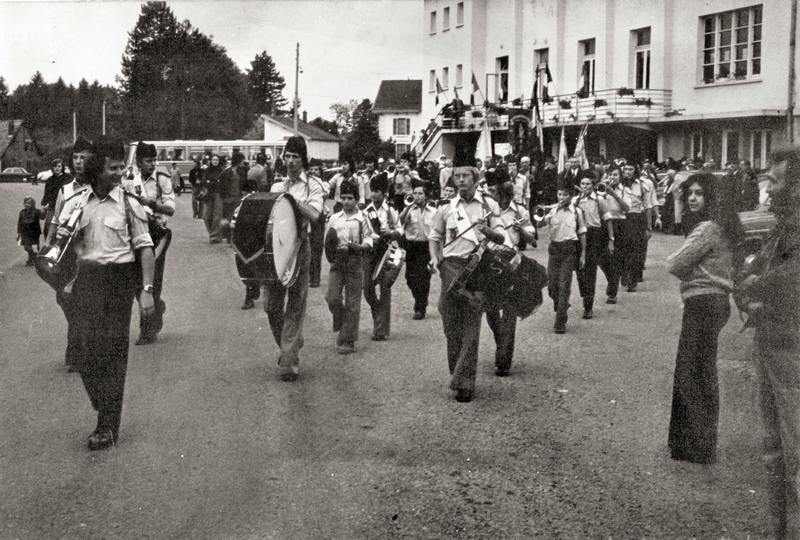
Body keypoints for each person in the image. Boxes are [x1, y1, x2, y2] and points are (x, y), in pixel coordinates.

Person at [54, 135, 154, 451]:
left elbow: (145, 248)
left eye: (121, 167)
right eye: (113, 167)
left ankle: (107, 425)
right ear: (98, 168)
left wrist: (147, 290)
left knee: (112, 355)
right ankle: (104, 401)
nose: (119, 173)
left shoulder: (129, 203)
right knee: (83, 351)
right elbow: (61, 247)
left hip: (119, 282)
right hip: (86, 282)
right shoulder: (76, 202)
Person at [737, 147, 800, 537]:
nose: (768, 190)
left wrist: (756, 284)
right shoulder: (783, 227)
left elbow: (789, 277)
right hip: (772, 345)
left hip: (792, 351)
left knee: (794, 455)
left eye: (776, 182)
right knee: (775, 453)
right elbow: (757, 268)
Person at [665, 172, 741, 464]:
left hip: (703, 302)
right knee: (703, 372)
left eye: (699, 193)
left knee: (690, 373)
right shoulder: (719, 226)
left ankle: (693, 445)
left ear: (711, 197)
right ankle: (700, 442)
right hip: (715, 302)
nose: (693, 198)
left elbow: (676, 263)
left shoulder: (707, 228)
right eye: (690, 193)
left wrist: (689, 270)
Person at [428, 143, 507, 402]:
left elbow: (502, 236)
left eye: (466, 176)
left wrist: (488, 231)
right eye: (457, 176)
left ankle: (464, 382)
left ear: (476, 177)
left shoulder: (489, 205)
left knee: (472, 323)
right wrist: (435, 258)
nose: (461, 180)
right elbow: (435, 235)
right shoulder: (446, 208)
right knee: (450, 322)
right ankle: (458, 372)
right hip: (450, 267)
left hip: (477, 268)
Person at [266, 136, 324, 381]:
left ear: (304, 160)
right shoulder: (276, 186)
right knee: (271, 305)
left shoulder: (313, 185)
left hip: (300, 247)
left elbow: (314, 214)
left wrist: (292, 201)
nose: (290, 162)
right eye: (287, 156)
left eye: (295, 157)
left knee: (296, 303)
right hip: (277, 249)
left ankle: (288, 360)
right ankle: (291, 342)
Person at [44, 137, 95, 372]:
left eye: (83, 157)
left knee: (76, 297)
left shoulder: (96, 190)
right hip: (62, 252)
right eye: (75, 157)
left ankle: (78, 351)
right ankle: (80, 346)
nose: (78, 162)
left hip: (85, 251)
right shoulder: (64, 189)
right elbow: (54, 219)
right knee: (63, 298)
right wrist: (48, 245)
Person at [122, 142, 175, 345]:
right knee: (136, 280)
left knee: (154, 279)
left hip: (157, 234)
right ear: (138, 161)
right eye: (148, 161)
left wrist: (151, 204)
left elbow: (171, 209)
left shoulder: (162, 179)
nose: (153, 164)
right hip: (135, 232)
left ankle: (146, 330)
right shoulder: (128, 179)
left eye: (154, 160)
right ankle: (156, 307)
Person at [484, 168, 536, 376]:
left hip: (512, 262)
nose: (488, 194)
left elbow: (532, 238)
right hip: (489, 262)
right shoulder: (485, 209)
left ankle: (503, 359)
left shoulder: (520, 210)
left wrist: (521, 229)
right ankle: (501, 341)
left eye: (492, 191)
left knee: (509, 311)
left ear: (503, 194)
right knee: (490, 308)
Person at [325, 179, 373, 354]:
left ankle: (347, 339)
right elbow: (328, 241)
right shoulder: (334, 218)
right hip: (337, 262)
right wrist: (331, 256)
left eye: (350, 198)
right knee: (332, 298)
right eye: (343, 198)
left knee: (353, 303)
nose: (346, 202)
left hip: (354, 261)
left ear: (356, 199)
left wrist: (361, 247)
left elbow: (369, 238)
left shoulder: (362, 218)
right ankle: (342, 321)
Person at [538, 185, 587, 333]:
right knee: (552, 286)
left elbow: (582, 233)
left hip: (569, 249)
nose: (561, 198)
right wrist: (543, 214)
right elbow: (539, 225)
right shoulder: (553, 211)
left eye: (565, 195)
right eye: (559, 194)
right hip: (554, 250)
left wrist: (583, 254)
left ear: (570, 196)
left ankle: (560, 321)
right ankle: (562, 305)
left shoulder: (577, 212)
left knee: (564, 285)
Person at [363, 172, 402, 341]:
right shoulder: (365, 211)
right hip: (370, 252)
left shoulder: (391, 210)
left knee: (385, 289)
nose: (374, 194)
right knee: (368, 289)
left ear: (384, 192)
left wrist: (392, 232)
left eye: (377, 191)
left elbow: (400, 230)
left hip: (386, 251)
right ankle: (379, 317)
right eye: (372, 190)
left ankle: (380, 329)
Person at [573, 171, 614, 319]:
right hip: (579, 237)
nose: (585, 186)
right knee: (579, 270)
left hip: (595, 236)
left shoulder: (599, 200)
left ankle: (588, 306)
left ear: (593, 185)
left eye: (588, 184)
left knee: (590, 271)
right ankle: (586, 295)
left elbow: (607, 219)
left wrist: (611, 239)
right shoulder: (575, 201)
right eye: (583, 184)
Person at [398, 181, 436, 319]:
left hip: (426, 247)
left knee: (423, 277)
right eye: (415, 193)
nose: (417, 196)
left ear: (426, 196)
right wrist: (408, 208)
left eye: (420, 193)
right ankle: (420, 299)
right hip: (411, 246)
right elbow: (399, 222)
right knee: (409, 277)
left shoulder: (433, 212)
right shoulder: (409, 210)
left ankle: (420, 307)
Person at [597, 164, 630, 304]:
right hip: (603, 224)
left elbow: (627, 208)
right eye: (610, 175)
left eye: (615, 175)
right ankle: (613, 279)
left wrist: (614, 194)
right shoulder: (600, 188)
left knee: (615, 258)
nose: (612, 177)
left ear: (620, 177)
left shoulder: (625, 190)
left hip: (618, 224)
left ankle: (612, 293)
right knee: (601, 258)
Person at [619, 163, 652, 292]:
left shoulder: (642, 185)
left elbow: (647, 206)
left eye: (631, 169)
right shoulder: (619, 185)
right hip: (622, 218)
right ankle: (624, 274)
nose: (628, 172)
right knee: (622, 249)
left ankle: (632, 280)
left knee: (635, 250)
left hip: (636, 218)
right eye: (626, 169)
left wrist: (648, 227)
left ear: (635, 170)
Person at [306, 158, 327, 289]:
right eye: (311, 169)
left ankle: (316, 277)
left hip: (319, 216)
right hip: (308, 215)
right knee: (308, 245)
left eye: (316, 169)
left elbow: (324, 194)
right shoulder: (306, 183)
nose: (313, 171)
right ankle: (309, 275)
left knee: (317, 246)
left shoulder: (323, 183)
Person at [40, 159, 71, 237]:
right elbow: (46, 194)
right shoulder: (50, 180)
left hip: (64, 205)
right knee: (48, 227)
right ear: (52, 168)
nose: (57, 168)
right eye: (55, 166)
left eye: (59, 166)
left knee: (63, 226)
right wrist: (43, 205)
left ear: (62, 167)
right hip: (52, 206)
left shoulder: (68, 178)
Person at [202, 154, 224, 243]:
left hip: (218, 194)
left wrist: (211, 181)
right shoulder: (207, 170)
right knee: (206, 216)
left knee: (217, 215)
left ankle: (214, 235)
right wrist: (214, 181)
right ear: (211, 161)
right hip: (208, 194)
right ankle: (212, 233)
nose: (215, 161)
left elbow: (221, 182)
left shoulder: (221, 170)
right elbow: (204, 182)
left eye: (216, 160)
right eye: (213, 160)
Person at [17, 197, 42, 266]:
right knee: (26, 247)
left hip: (34, 232)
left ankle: (30, 259)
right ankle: (34, 256)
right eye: (25, 203)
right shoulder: (22, 212)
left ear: (33, 204)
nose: (27, 205)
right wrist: (19, 233)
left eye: (29, 203)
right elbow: (19, 223)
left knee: (29, 246)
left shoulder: (36, 211)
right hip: (24, 232)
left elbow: (42, 217)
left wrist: (44, 209)